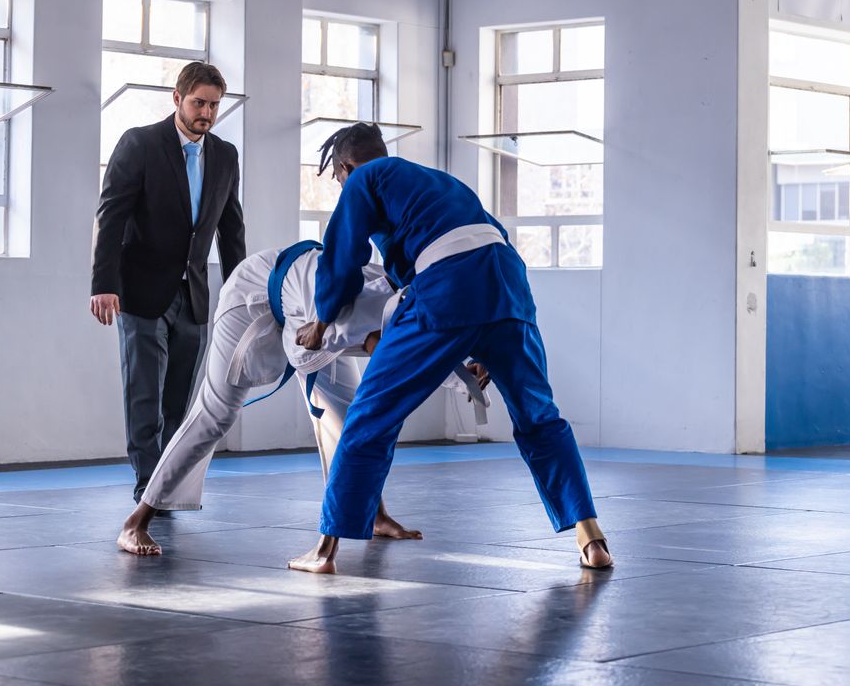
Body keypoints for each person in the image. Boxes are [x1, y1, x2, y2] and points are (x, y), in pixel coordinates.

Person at [288, 123, 612, 575]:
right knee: (540, 418)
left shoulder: (364, 178)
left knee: (370, 415)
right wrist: (483, 347)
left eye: (339, 180)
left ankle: (324, 550)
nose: (343, 189)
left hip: (448, 287)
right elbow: (481, 245)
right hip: (508, 289)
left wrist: (321, 322)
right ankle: (591, 539)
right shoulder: (440, 183)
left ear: (346, 166)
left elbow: (342, 259)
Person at [116, 241, 485, 555]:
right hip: (253, 298)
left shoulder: (402, 296)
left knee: (346, 416)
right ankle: (137, 521)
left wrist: (462, 373)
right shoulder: (339, 297)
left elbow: (419, 349)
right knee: (215, 414)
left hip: (307, 316)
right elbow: (313, 347)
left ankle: (374, 514)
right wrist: (385, 350)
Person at [90, 62, 246, 504]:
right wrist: (104, 283)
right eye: (199, 103)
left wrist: (241, 295)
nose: (207, 113)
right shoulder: (140, 144)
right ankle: (147, 487)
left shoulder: (225, 155)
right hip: (140, 291)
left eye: (214, 105)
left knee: (179, 400)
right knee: (144, 393)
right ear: (177, 98)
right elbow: (111, 215)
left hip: (194, 295)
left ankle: (169, 482)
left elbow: (231, 230)